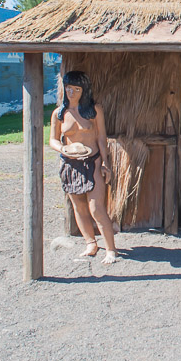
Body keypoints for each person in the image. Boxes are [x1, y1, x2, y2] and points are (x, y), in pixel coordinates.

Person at [50, 71, 118, 264]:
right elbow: (53, 139)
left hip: (92, 161)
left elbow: (101, 138)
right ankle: (91, 243)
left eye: (76, 89)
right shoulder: (59, 113)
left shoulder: (94, 111)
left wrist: (105, 163)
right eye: (68, 88)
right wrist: (63, 148)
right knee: (78, 207)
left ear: (84, 90)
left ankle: (111, 249)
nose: (71, 92)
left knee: (97, 208)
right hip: (70, 162)